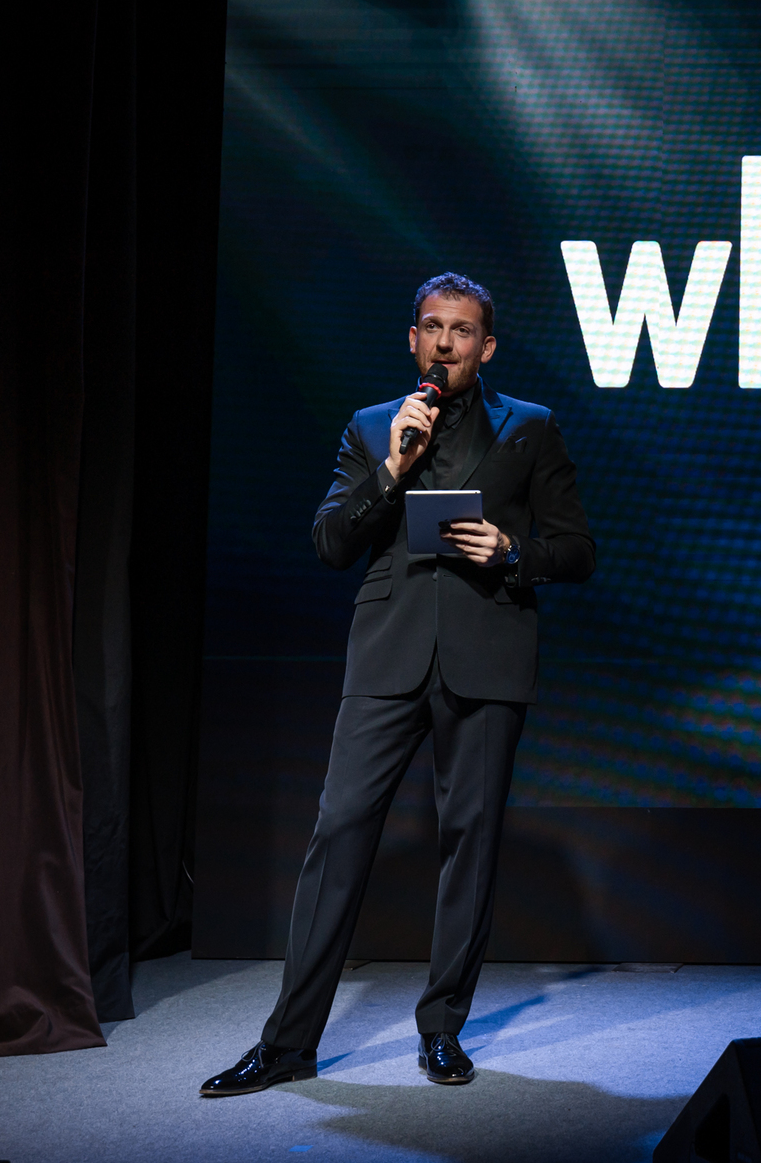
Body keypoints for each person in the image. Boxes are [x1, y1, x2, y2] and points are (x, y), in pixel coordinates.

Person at [201, 273, 596, 1094]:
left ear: (486, 347)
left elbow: (576, 549)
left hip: (487, 652)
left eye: (463, 329)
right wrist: (391, 469)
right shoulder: (373, 425)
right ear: (413, 340)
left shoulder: (530, 427)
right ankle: (287, 1045)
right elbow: (331, 543)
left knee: (469, 843)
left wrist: (513, 553)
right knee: (340, 830)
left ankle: (442, 1029)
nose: (446, 341)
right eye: (432, 327)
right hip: (388, 653)